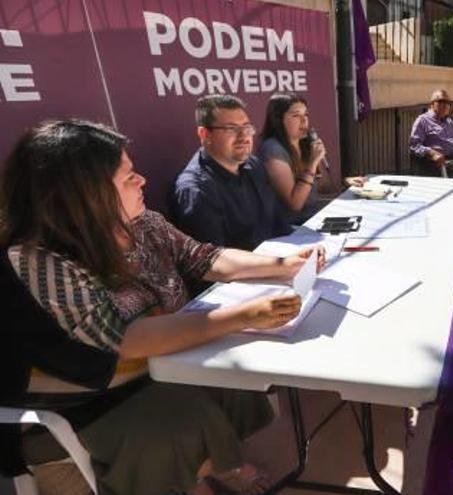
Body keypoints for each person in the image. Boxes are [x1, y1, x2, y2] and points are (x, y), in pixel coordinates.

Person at [0, 119, 327, 495]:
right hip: (87, 394)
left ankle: (213, 467)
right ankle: (197, 476)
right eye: (127, 178)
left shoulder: (142, 223)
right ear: (81, 195)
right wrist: (245, 315)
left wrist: (286, 264)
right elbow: (124, 339)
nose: (141, 181)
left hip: (151, 366)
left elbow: (205, 258)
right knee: (187, 413)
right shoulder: (38, 259)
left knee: (232, 382)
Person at [173, 94, 291, 251]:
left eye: (247, 128)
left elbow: (278, 222)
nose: (244, 136)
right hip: (248, 272)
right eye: (231, 129)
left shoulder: (254, 165)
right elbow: (216, 264)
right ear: (205, 134)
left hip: (282, 257)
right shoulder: (196, 190)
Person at [258, 92, 328, 224]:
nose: (304, 120)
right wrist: (312, 164)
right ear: (278, 120)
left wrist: (347, 182)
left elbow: (324, 187)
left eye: (305, 115)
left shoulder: (305, 143)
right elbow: (295, 204)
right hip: (290, 227)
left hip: (313, 219)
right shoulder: (272, 149)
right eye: (296, 115)